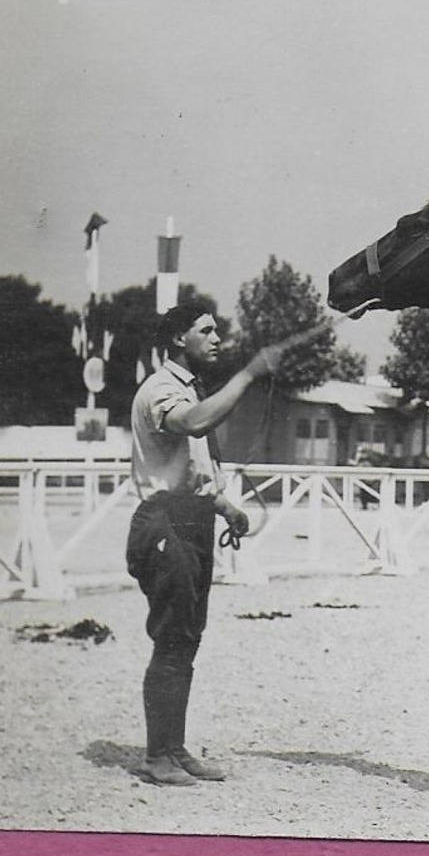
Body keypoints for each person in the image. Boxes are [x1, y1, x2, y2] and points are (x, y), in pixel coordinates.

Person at [126, 302, 296, 786]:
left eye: (216, 329)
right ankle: (156, 757)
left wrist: (225, 508)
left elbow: (192, 471)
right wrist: (248, 375)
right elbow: (194, 424)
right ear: (179, 339)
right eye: (206, 330)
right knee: (170, 638)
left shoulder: (187, 389)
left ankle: (173, 748)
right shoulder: (162, 389)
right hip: (164, 525)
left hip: (193, 521)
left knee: (186, 638)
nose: (217, 337)